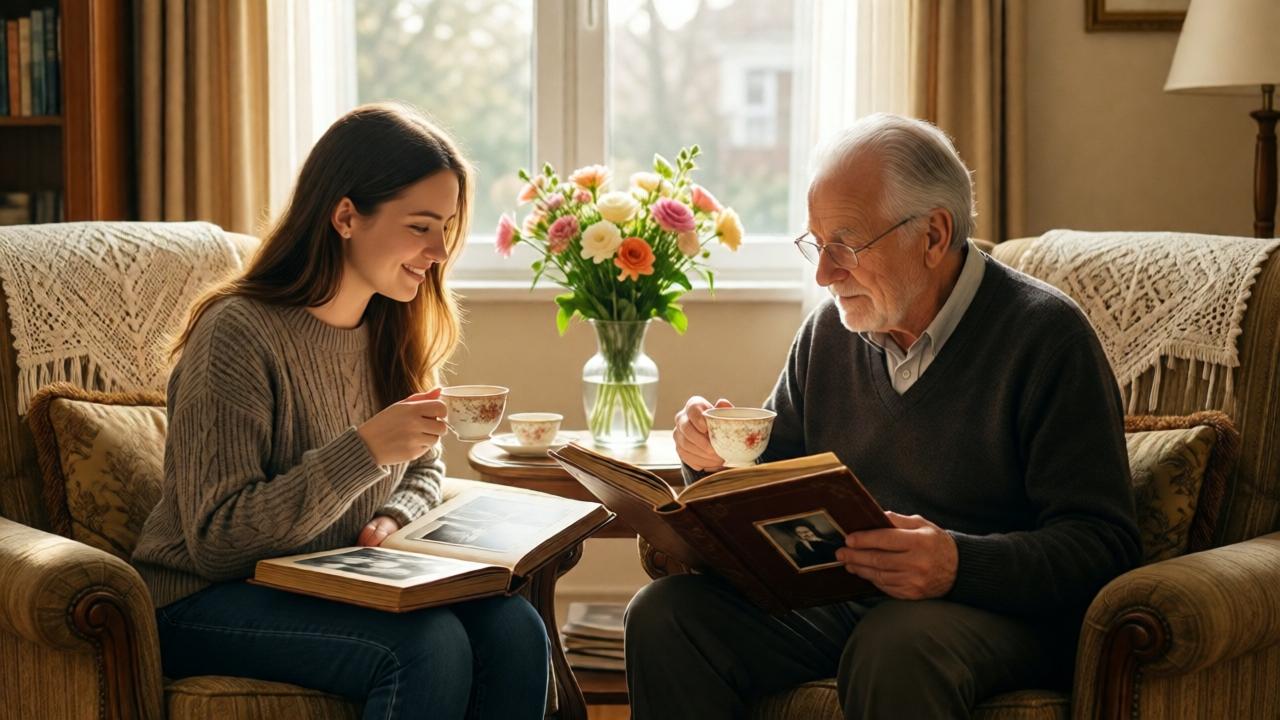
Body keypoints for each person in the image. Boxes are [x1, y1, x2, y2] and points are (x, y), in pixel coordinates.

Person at [624, 113, 1141, 719]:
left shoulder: (1046, 337)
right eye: (816, 246)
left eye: (844, 245)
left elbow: (1104, 546)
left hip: (995, 614)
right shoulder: (828, 334)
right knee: (665, 616)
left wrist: (956, 562)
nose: (823, 274)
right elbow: (773, 491)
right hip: (844, 600)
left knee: (895, 645)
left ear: (933, 235)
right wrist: (712, 466)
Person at [130, 102, 550, 720]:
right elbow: (217, 542)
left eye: (448, 226)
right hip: (204, 598)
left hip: (330, 578)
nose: (439, 250)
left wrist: (391, 514)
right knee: (428, 648)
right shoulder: (237, 333)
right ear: (347, 215)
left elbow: (425, 464)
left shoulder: (391, 324)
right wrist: (366, 451)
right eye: (420, 226)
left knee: (515, 629)